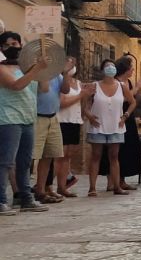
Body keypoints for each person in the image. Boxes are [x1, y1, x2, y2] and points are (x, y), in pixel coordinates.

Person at [0, 31, 49, 215]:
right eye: (8, 45)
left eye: (16, 43)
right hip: (8, 119)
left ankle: (26, 198)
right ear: (2, 48)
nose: (13, 47)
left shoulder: (26, 69)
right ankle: (1, 200)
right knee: (5, 161)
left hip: (28, 119)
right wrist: (35, 70)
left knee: (25, 162)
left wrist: (43, 70)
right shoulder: (2, 69)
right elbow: (16, 85)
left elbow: (44, 89)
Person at [84, 59, 136, 196]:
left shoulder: (122, 86)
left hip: (116, 126)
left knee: (114, 156)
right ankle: (92, 188)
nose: (110, 68)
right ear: (102, 70)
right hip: (98, 126)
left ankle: (116, 186)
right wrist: (89, 116)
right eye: (107, 66)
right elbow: (85, 105)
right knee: (96, 156)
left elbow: (132, 102)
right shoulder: (94, 86)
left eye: (112, 66)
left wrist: (125, 116)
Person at [33, 57, 73, 203]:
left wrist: (66, 72)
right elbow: (43, 89)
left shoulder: (58, 74)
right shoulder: (36, 73)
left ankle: (41, 190)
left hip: (53, 117)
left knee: (49, 156)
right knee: (32, 156)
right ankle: (23, 191)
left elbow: (66, 89)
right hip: (38, 117)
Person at [106, 56, 141, 192]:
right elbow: (121, 99)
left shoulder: (128, 82)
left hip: (128, 117)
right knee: (113, 150)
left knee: (126, 149)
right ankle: (111, 181)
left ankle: (121, 180)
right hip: (116, 117)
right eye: (130, 68)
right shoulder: (114, 82)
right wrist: (137, 87)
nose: (132, 70)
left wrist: (139, 89)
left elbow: (133, 99)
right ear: (125, 69)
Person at [56, 59, 92, 197]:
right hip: (62, 120)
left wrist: (85, 97)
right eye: (68, 62)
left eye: (73, 63)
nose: (72, 65)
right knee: (61, 155)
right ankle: (54, 185)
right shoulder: (59, 81)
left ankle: (63, 185)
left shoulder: (78, 83)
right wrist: (80, 95)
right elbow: (62, 103)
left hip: (74, 121)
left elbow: (81, 103)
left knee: (69, 155)